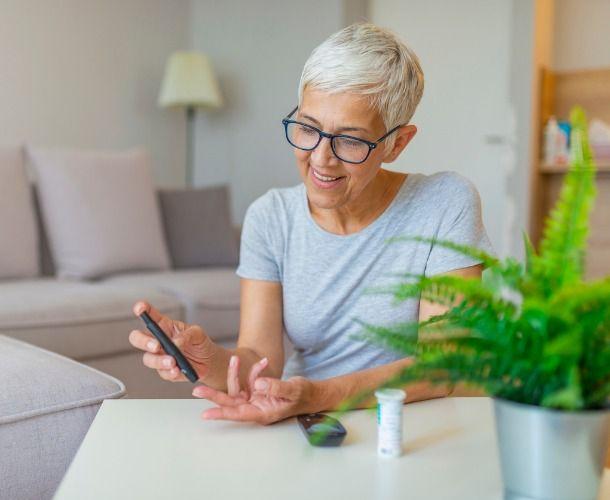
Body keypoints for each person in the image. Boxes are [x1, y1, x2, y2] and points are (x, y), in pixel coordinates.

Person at [128, 23, 493, 424]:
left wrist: (317, 395)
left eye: (350, 140)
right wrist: (210, 360)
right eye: (308, 127)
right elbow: (259, 364)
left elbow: (443, 367)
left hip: (409, 425)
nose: (320, 158)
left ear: (396, 143)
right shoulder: (270, 217)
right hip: (308, 424)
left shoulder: (444, 203)